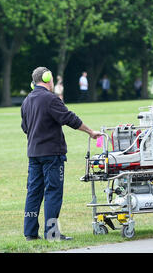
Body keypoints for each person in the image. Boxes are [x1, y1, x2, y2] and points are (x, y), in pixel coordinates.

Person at [21, 67, 101, 241]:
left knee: (33, 192)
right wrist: (90, 132)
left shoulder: (27, 100)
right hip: (51, 154)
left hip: (34, 154)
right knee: (53, 192)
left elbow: (24, 127)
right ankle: (52, 233)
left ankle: (30, 233)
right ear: (47, 78)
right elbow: (69, 118)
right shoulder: (50, 98)